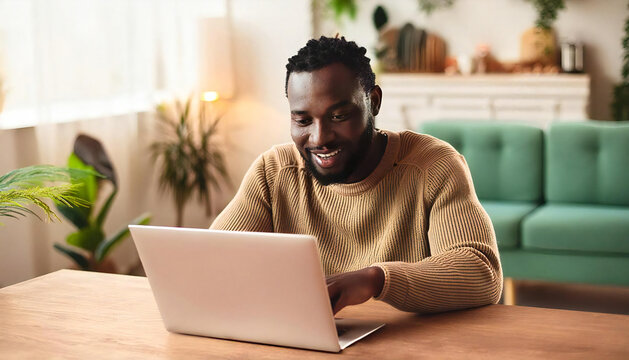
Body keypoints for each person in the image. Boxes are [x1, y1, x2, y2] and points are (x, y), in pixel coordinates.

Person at [211, 36, 502, 314]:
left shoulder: (433, 165)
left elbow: (481, 272)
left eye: (338, 116)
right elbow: (209, 261)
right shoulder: (274, 172)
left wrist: (377, 279)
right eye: (302, 120)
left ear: (373, 102)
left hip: (409, 343)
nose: (319, 138)